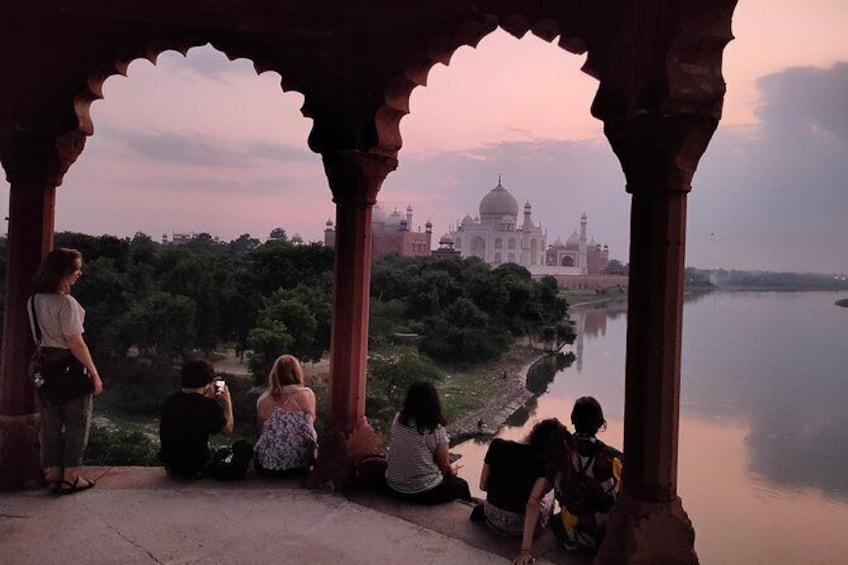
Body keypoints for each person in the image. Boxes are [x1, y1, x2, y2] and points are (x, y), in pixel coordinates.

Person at [28, 248, 103, 495]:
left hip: (43, 365)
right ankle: (71, 475)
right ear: (63, 273)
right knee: (77, 421)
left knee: (50, 422)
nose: (79, 274)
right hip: (68, 367)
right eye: (75, 269)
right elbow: (75, 342)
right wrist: (93, 372)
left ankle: (52, 472)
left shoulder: (34, 300)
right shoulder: (66, 303)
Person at [513, 397, 623, 564]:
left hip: (570, 537)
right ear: (601, 423)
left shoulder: (559, 456)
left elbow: (533, 502)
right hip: (605, 541)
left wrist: (525, 551)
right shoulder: (613, 459)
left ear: (573, 420)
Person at [472, 418, 570, 536]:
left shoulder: (496, 445)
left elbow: (483, 486)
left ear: (535, 430)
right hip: (523, 527)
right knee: (550, 492)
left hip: (492, 516)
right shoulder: (544, 462)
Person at [385, 381, 471, 504]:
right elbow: (444, 467)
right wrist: (453, 472)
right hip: (423, 492)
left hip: (393, 486)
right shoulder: (435, 429)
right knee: (461, 485)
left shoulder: (398, 419)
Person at [158, 359, 235, 478]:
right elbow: (228, 430)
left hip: (170, 464)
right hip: (196, 466)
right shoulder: (208, 406)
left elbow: (191, 411)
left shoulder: (170, 401)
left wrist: (207, 397)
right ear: (208, 381)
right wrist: (227, 402)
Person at [254, 354, 318, 477]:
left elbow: (261, 431)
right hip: (301, 466)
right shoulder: (308, 395)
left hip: (269, 467)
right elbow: (311, 425)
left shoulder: (264, 400)